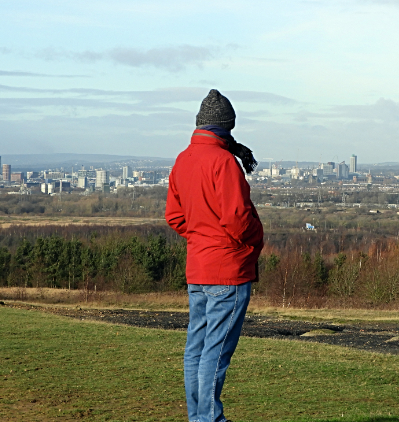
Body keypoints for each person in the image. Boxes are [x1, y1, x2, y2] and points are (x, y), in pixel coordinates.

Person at [165, 89, 263, 422]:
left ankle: (199, 417)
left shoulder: (183, 160)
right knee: (216, 353)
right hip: (228, 269)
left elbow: (175, 217)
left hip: (198, 268)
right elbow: (238, 219)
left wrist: (201, 236)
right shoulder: (223, 162)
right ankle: (208, 419)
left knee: (196, 349)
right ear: (227, 126)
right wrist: (253, 240)